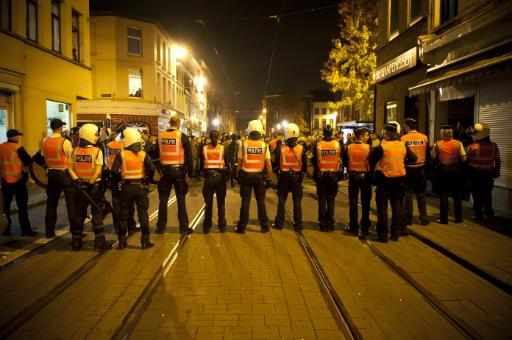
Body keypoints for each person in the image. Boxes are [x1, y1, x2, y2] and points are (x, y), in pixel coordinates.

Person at [370, 123, 416, 242]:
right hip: (399, 180)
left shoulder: (382, 147)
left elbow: (372, 159)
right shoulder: (403, 145)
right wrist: (402, 161)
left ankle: (383, 235)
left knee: (382, 208)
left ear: (386, 133)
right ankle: (395, 233)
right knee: (397, 206)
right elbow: (414, 158)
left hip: (384, 180)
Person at [111, 128, 155, 249]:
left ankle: (122, 241)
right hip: (140, 187)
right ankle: (145, 241)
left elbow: (114, 171)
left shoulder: (122, 154)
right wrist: (146, 177)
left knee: (124, 214)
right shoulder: (143, 154)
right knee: (143, 214)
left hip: (126, 187)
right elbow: (151, 169)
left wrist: (121, 178)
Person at [67, 124, 107, 250]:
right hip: (93, 187)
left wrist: (77, 180)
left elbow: (69, 167)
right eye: (96, 134)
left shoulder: (75, 150)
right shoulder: (97, 151)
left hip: (79, 187)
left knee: (79, 214)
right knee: (96, 213)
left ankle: (76, 242)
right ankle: (100, 242)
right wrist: (91, 182)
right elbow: (98, 170)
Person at [154, 116, 194, 234]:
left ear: (169, 123)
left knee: (163, 199)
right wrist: (190, 172)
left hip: (165, 172)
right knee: (181, 199)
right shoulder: (182, 136)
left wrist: (159, 169)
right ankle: (184, 227)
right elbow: (189, 156)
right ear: (179, 123)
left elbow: (156, 154)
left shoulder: (160, 136)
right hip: (178, 172)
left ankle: (160, 227)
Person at [235, 120, 274, 233]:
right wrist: (268, 179)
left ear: (250, 131)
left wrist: (237, 176)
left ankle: (242, 227)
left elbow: (239, 163)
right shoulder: (264, 145)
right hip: (259, 177)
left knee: (245, 201)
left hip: (246, 176)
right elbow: (269, 165)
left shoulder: (244, 144)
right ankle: (264, 226)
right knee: (261, 201)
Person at [41, 119, 76, 239]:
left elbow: (42, 155)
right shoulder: (64, 141)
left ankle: (49, 232)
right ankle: (75, 232)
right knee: (71, 204)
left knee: (51, 203)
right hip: (64, 174)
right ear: (60, 128)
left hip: (51, 174)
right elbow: (72, 157)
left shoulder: (44, 141)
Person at [0, 129, 36, 236]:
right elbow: (29, 162)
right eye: (18, 136)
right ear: (15, 137)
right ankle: (26, 230)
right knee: (22, 207)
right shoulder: (18, 148)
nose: (18, 138)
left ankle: (5, 229)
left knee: (5, 207)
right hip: (18, 181)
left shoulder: (1, 147)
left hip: (5, 181)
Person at [272, 123, 307, 231]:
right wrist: (301, 175)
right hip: (296, 178)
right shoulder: (301, 149)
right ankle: (298, 224)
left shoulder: (281, 149)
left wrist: (277, 173)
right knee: (297, 201)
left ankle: (279, 223)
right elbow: (304, 165)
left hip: (284, 177)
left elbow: (275, 162)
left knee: (281, 200)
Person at [431, 125, 466, 224]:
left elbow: (432, 157)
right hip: (455, 170)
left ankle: (444, 219)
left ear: (442, 133)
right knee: (457, 195)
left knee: (443, 195)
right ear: (451, 133)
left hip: (443, 170)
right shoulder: (458, 143)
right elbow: (464, 158)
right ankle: (458, 218)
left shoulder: (437, 144)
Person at [312, 125, 343, 232]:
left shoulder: (318, 144)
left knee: (322, 199)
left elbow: (314, 161)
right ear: (332, 133)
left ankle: (322, 223)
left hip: (321, 176)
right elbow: (340, 158)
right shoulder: (337, 144)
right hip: (333, 175)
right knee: (331, 200)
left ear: (323, 133)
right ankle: (330, 223)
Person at [467, 122, 500, 220]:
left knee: (476, 195)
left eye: (475, 133)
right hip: (488, 174)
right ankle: (489, 213)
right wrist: (497, 171)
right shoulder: (494, 146)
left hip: (475, 175)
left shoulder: (472, 147)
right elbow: (497, 160)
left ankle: (478, 214)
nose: (474, 134)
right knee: (487, 195)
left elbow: (465, 160)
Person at [401, 118, 429, 226]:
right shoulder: (424, 138)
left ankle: (409, 219)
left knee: (408, 194)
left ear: (407, 126)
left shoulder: (403, 139)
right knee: (421, 194)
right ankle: (424, 218)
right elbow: (427, 154)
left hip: (409, 169)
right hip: (421, 168)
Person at [344, 127, 372, 236]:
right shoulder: (369, 148)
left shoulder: (349, 147)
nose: (368, 137)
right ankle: (365, 227)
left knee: (353, 202)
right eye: (366, 135)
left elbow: (346, 163)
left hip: (353, 177)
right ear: (360, 136)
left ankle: (353, 226)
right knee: (366, 203)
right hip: (366, 178)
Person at [199, 130, 227, 233]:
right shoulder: (223, 148)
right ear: (218, 137)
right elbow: (227, 164)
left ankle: (207, 226)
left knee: (208, 203)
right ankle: (222, 225)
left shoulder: (204, 148)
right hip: (220, 178)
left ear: (209, 137)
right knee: (221, 203)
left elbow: (201, 164)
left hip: (209, 178)